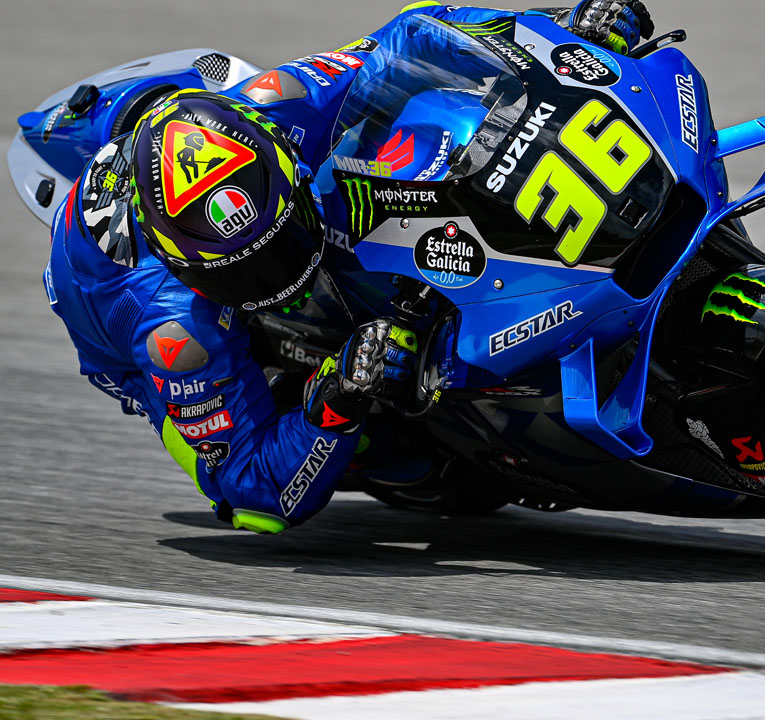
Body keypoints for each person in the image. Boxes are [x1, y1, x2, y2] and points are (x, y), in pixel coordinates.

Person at [45, 1, 654, 534]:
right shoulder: (174, 330)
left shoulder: (278, 105)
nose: (280, 272)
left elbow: (416, 35)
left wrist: (563, 36)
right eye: (249, 270)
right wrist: (335, 397)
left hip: (198, 146)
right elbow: (255, 487)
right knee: (404, 453)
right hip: (124, 325)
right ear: (188, 268)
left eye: (282, 240)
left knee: (419, 126)